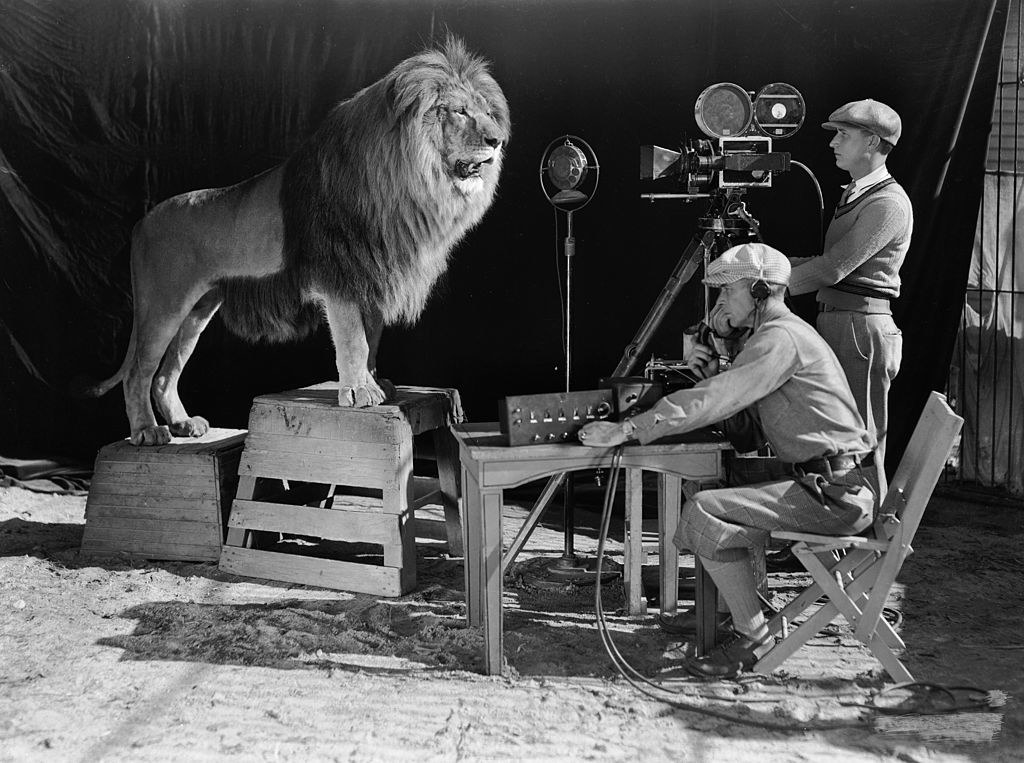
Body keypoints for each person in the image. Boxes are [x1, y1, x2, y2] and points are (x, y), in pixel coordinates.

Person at [578, 243, 877, 679]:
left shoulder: (780, 339)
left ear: (759, 292)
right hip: (832, 485)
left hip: (834, 496)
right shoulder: (773, 337)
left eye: (727, 294)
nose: (719, 305)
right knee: (713, 497)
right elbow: (749, 432)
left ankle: (753, 637)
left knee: (704, 510)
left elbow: (715, 402)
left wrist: (628, 429)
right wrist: (718, 367)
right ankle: (724, 614)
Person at [788, 99, 913, 497]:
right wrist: (765, 263)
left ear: (873, 141)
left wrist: (768, 281)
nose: (833, 144)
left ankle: (871, 541)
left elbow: (833, 268)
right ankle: (835, 536)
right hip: (840, 322)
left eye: (844, 135)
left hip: (861, 330)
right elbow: (827, 263)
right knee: (835, 437)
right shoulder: (857, 193)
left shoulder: (887, 203)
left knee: (861, 439)